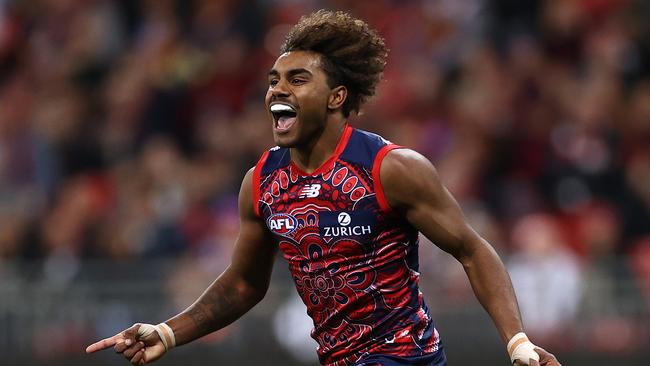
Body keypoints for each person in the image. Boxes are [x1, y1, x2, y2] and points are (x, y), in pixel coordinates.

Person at [86, 10, 561, 366]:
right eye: (273, 81)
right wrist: (167, 333)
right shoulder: (262, 182)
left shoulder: (391, 168)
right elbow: (243, 282)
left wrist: (516, 341)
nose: (277, 91)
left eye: (297, 79)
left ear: (336, 97)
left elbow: (473, 251)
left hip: (404, 357)